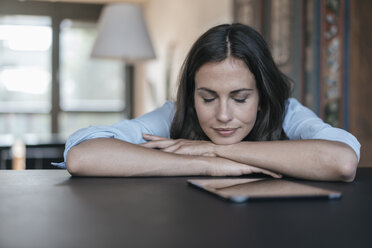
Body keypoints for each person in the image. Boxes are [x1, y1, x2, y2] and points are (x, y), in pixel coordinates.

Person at [54, 23, 360, 182]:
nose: (223, 115)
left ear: (262, 96)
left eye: (240, 98)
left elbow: (342, 161)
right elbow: (83, 156)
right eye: (208, 98)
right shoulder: (175, 114)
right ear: (193, 94)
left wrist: (217, 148)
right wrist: (206, 164)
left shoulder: (287, 112)